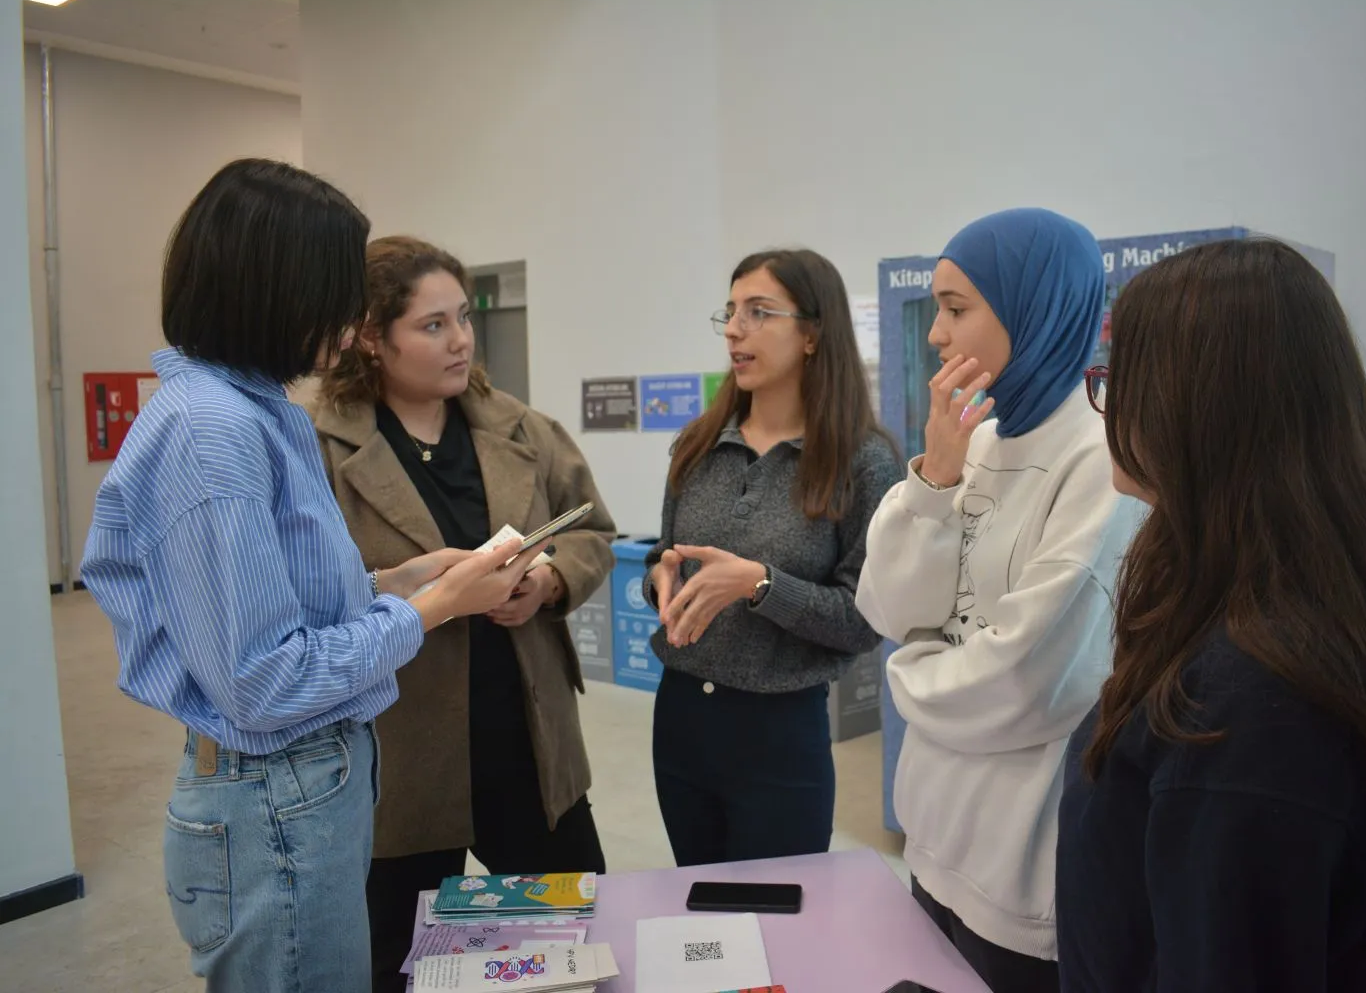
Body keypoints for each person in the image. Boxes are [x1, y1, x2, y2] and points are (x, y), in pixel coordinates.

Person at [79, 160, 545, 993]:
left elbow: (275, 608)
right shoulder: (210, 433)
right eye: (337, 298)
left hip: (306, 790)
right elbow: (262, 679)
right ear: (277, 290)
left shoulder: (252, 415)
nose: (348, 323)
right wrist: (434, 606)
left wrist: (397, 583)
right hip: (274, 801)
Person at [1055, 239, 1366, 992]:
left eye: (1123, 375)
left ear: (1198, 404)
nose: (1108, 399)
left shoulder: (1242, 709)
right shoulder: (1287, 615)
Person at [314, 236, 615, 993]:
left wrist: (545, 580)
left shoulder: (520, 428)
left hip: (527, 742)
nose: (461, 341)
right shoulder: (318, 447)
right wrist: (403, 589)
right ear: (372, 339)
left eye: (464, 318)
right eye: (432, 325)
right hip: (402, 760)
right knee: (400, 962)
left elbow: (592, 533)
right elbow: (310, 591)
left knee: (573, 936)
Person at [856, 209, 1138, 993]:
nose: (936, 337)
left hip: (1022, 868)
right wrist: (935, 481)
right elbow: (885, 605)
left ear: (1032, 307)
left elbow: (1030, 679)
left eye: (956, 309)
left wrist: (907, 676)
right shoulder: (972, 441)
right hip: (936, 833)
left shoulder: (1102, 460)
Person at [645, 248, 902, 866]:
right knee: (701, 907)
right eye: (731, 312)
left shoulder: (862, 462)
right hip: (680, 718)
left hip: (780, 734)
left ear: (812, 334)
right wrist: (661, 578)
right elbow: (664, 553)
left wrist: (761, 584)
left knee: (779, 929)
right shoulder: (698, 445)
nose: (734, 329)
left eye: (759, 312)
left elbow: (863, 622)